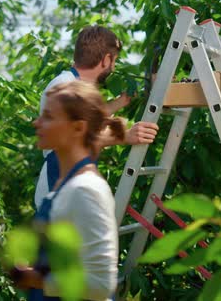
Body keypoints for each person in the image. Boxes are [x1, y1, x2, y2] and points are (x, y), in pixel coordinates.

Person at [15, 81, 124, 300]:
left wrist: (37, 280)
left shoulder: (86, 189)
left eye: (48, 117)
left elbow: (101, 285)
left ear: (78, 128)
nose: (37, 123)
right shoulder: (64, 183)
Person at [35, 25, 159, 208]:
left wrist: (123, 100)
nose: (114, 67)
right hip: (59, 186)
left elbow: (87, 121)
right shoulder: (65, 86)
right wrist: (124, 135)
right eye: (114, 60)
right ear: (106, 59)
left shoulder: (72, 84)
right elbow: (73, 137)